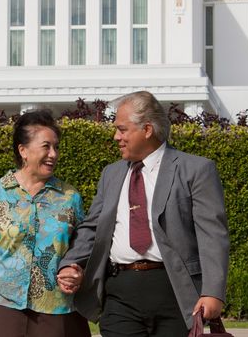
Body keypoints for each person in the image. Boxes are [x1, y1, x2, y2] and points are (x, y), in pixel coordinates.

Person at [57, 91, 229, 337]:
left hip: (176, 294)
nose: (116, 136)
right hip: (119, 295)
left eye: (122, 129)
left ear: (147, 129)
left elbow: (213, 236)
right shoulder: (111, 174)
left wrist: (213, 292)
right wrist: (72, 263)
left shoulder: (196, 170)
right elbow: (93, 227)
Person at [0, 109, 91, 337]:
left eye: (56, 147)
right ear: (23, 150)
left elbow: (84, 246)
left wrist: (78, 271)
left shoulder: (69, 197)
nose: (54, 154)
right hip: (3, 299)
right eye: (46, 146)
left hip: (54, 302)